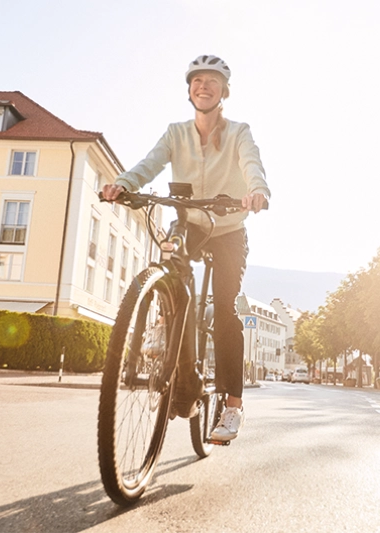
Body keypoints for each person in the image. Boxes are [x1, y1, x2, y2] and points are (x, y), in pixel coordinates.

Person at [102, 55, 270, 442]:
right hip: (190, 223)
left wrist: (257, 191)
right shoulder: (175, 133)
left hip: (228, 228)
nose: (203, 86)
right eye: (197, 81)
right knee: (170, 256)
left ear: (223, 91)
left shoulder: (240, 132)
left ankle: (231, 407)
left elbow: (251, 164)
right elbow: (150, 164)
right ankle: (164, 322)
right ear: (190, 90)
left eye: (212, 81)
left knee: (225, 307)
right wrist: (123, 184)